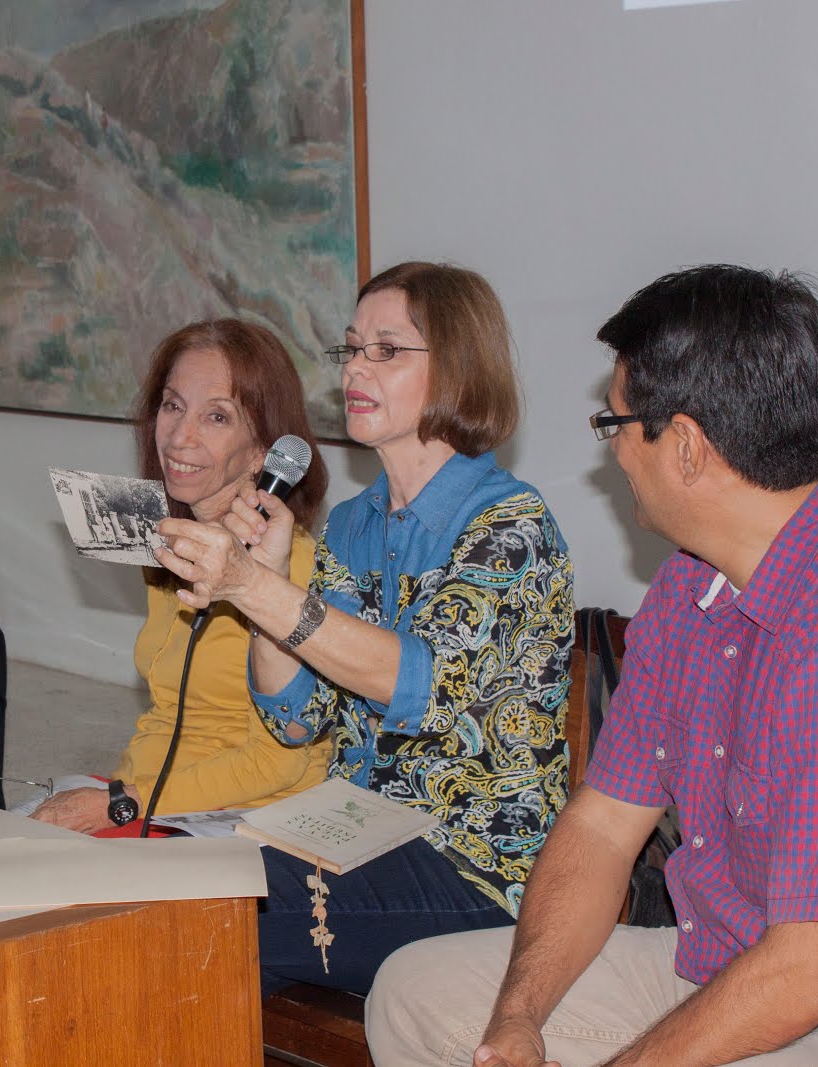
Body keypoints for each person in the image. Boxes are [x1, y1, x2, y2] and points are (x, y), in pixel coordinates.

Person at [366, 265, 818, 1067]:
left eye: (614, 421)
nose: (613, 448)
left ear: (685, 445)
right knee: (415, 997)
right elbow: (602, 824)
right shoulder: (694, 579)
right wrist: (518, 1018)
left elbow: (815, 973)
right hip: (728, 968)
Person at [155, 262, 574, 994]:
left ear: (457, 369)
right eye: (351, 348)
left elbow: (413, 681)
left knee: (190, 927)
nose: (356, 367)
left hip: (474, 871)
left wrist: (253, 587)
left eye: (386, 349)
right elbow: (297, 717)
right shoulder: (354, 523)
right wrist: (268, 586)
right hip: (352, 835)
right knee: (167, 892)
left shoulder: (510, 526)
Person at [31, 319, 334, 833]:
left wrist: (121, 804)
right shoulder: (172, 539)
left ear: (264, 450)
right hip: (151, 797)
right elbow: (166, 716)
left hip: (248, 818)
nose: (179, 436)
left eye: (216, 416)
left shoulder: (290, 570)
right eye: (172, 406)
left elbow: (282, 762)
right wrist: (111, 795)